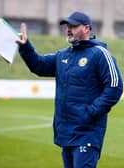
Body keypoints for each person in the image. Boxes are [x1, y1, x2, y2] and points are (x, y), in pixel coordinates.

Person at [16, 11, 123, 168]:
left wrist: (92, 111)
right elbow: (38, 65)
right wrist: (26, 47)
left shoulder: (100, 54)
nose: (68, 29)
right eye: (67, 26)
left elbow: (115, 86)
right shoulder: (62, 55)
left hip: (87, 133)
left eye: (73, 26)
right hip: (66, 134)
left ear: (86, 28)